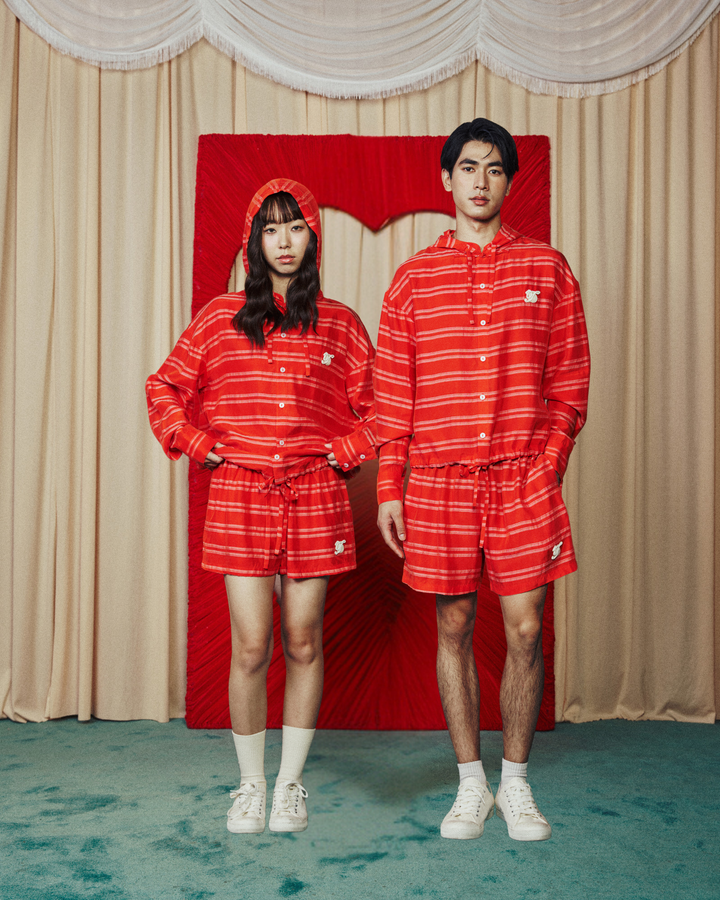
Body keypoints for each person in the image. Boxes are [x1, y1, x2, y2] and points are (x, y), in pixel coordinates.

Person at [375, 119, 590, 842]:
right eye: (468, 167)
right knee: (455, 625)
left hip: (523, 478)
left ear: (508, 182)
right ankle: (471, 783)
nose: (480, 180)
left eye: (495, 169)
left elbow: (569, 381)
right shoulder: (412, 279)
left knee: (526, 628)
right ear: (447, 178)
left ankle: (516, 784)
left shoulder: (548, 269)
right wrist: (390, 486)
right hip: (439, 483)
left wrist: (548, 463)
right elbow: (392, 395)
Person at [146, 178, 376, 835]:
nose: (284, 241)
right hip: (240, 494)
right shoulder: (220, 317)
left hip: (314, 495)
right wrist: (198, 443)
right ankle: (249, 786)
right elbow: (164, 386)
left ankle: (289, 787)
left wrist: (344, 452)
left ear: (313, 237)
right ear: (255, 241)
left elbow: (384, 406)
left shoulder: (340, 323)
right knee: (250, 645)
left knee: (303, 640)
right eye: (270, 229)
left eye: (295, 226)